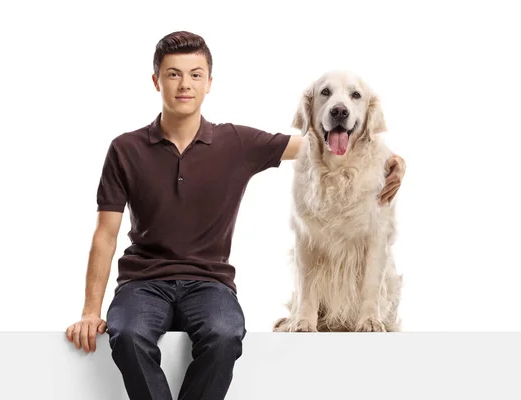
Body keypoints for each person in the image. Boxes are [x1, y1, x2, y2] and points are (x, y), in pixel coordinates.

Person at [65, 31, 406, 400]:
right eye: (173, 74)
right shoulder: (124, 148)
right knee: (127, 335)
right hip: (142, 283)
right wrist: (89, 310)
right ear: (156, 80)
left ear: (209, 83)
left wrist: (393, 162)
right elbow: (104, 234)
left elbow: (321, 144)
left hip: (209, 283)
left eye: (195, 74)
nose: (185, 84)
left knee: (226, 334)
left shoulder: (236, 143)